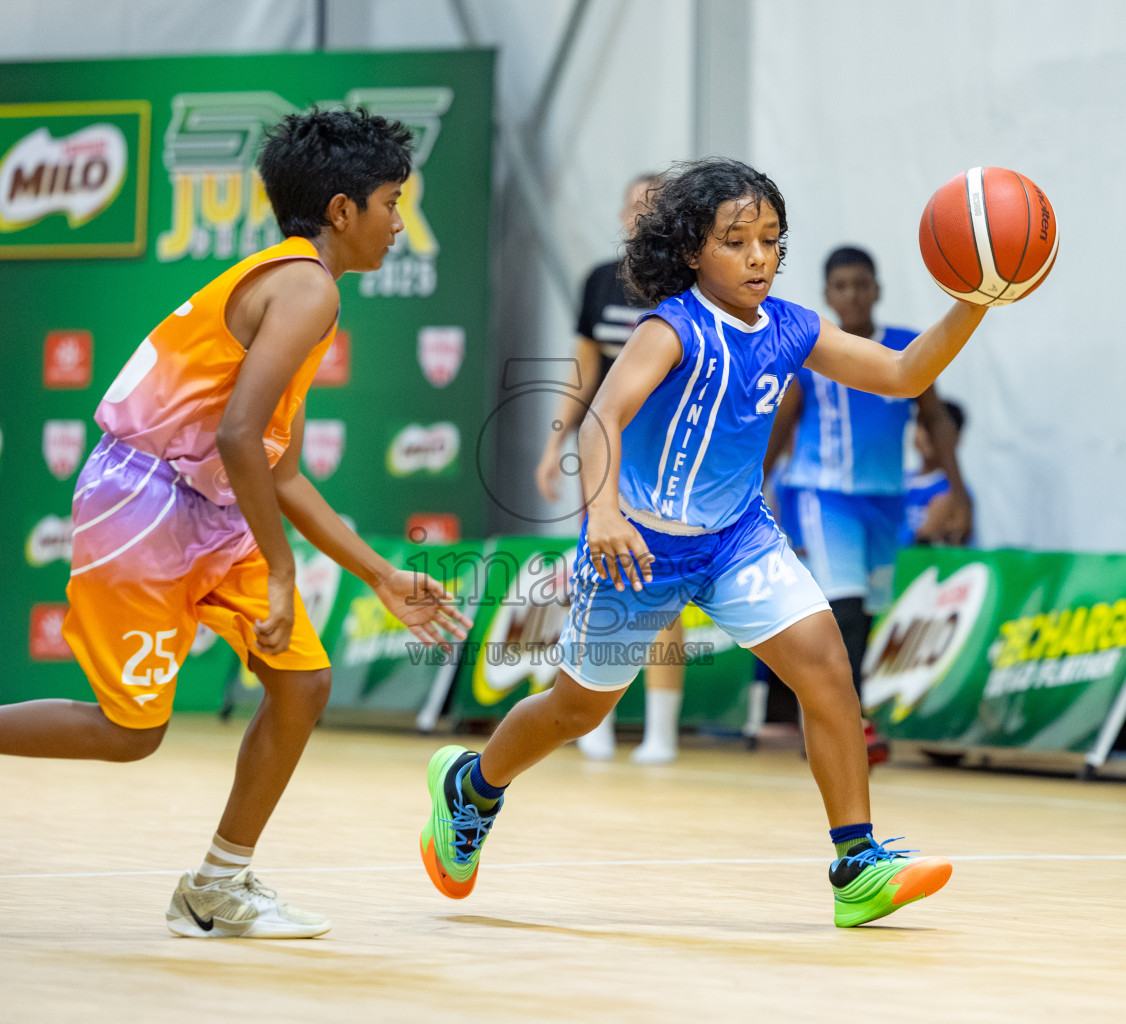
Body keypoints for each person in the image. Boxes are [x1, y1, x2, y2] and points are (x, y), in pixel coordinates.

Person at [0, 110, 470, 939]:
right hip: (144, 504)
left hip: (206, 501)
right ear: (344, 211)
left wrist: (378, 574)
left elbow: (275, 467)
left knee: (302, 682)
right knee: (130, 731)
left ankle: (217, 886)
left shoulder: (304, 287)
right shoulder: (306, 287)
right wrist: (282, 572)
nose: (399, 222)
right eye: (394, 201)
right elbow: (239, 435)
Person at [421, 159, 988, 927]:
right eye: (737, 241)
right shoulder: (672, 327)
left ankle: (856, 862)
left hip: (735, 539)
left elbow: (900, 371)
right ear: (694, 250)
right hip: (637, 546)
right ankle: (472, 787)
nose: (758, 257)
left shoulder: (790, 326)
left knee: (825, 664)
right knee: (575, 711)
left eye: (771, 241)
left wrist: (977, 299)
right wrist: (607, 511)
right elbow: (601, 421)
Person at [764, 247, 971, 759]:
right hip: (823, 495)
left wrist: (958, 488)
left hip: (886, 499)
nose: (852, 294)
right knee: (844, 609)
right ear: (827, 294)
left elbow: (936, 418)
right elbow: (782, 423)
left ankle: (842, 716)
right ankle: (844, 724)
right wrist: (751, 489)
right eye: (841, 285)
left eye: (862, 284)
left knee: (871, 612)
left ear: (877, 289)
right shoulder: (812, 351)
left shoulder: (904, 348)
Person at [535, 172, 685, 764]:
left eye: (651, 208)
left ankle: (662, 731)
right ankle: (591, 718)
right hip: (604, 448)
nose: (638, 216)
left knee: (660, 585)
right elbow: (583, 373)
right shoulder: (599, 281)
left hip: (668, 454)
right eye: (631, 206)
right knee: (597, 578)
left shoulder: (688, 286)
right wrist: (554, 444)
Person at [901, 398, 970, 547]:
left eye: (937, 429)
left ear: (957, 438)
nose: (928, 435)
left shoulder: (955, 494)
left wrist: (928, 534)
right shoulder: (896, 482)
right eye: (923, 426)